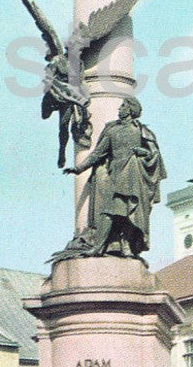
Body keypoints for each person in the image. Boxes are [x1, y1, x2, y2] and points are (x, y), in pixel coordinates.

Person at [64, 95, 166, 257]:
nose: (119, 109)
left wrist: (143, 152)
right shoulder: (112, 130)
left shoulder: (142, 131)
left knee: (128, 212)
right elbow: (98, 153)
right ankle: (100, 247)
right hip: (116, 176)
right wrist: (79, 168)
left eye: (123, 106)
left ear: (131, 110)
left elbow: (155, 155)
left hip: (134, 176)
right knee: (109, 212)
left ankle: (125, 246)